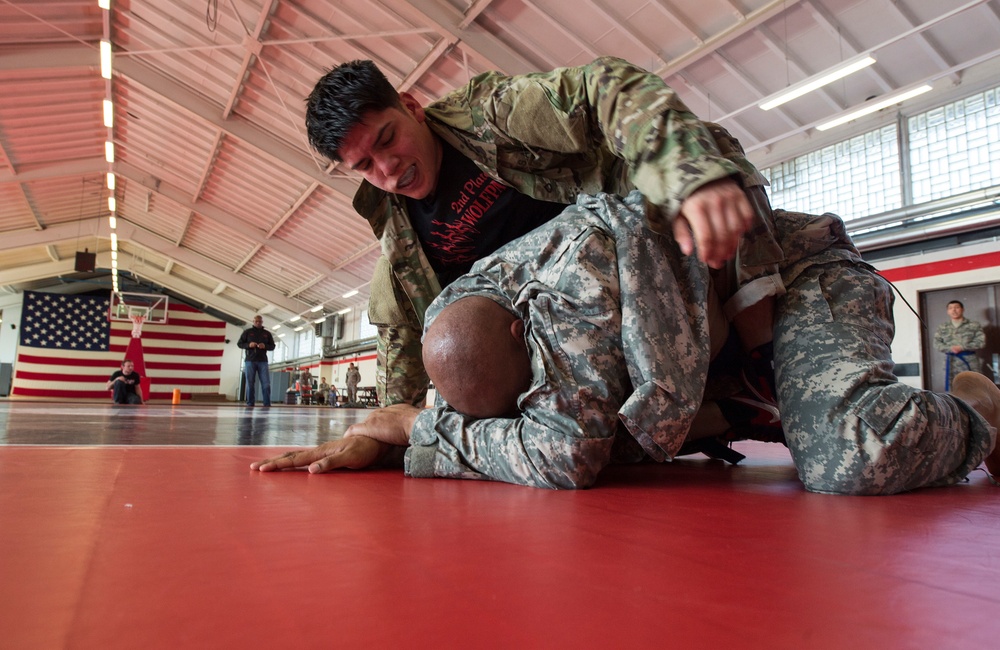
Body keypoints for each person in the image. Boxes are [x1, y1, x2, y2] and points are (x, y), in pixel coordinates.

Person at [251, 193, 1000, 493]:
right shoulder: (461, 304)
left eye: (533, 391)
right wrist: (376, 435)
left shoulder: (573, 295)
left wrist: (422, 429)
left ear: (528, 328)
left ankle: (976, 406)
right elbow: (483, 394)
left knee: (849, 455)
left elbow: (562, 455)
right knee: (625, 438)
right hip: (699, 360)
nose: (538, 403)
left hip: (789, 287)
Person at [304, 56, 783, 410]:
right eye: (364, 165)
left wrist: (686, 173)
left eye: (388, 138)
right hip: (551, 335)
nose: (388, 169)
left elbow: (605, 86)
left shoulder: (489, 116)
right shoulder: (401, 245)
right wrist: (388, 423)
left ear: (411, 107)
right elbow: (399, 332)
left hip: (621, 261)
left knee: (705, 144)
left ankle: (761, 356)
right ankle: (703, 412)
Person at [933, 300, 986, 389]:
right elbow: (936, 344)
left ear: (962, 309)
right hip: (951, 363)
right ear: (947, 311)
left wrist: (963, 347)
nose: (954, 310)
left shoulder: (974, 325)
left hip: (970, 362)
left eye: (957, 307)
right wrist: (950, 348)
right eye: (950, 308)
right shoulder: (943, 327)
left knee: (974, 389)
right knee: (952, 390)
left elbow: (981, 342)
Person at [237, 315, 275, 408]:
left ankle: (267, 403)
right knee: (250, 383)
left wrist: (265, 346)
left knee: (266, 383)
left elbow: (272, 346)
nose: (258, 323)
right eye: (256, 321)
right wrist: (249, 345)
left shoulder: (267, 333)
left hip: (263, 361)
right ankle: (250, 403)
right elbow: (239, 344)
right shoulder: (247, 332)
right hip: (250, 361)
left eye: (260, 321)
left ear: (262, 322)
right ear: (253, 322)